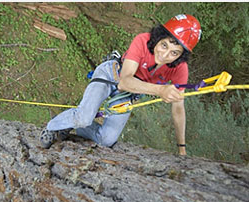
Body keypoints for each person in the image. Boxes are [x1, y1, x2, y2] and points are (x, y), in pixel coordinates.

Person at [39, 14, 202, 156]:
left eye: (174, 53)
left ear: (181, 56)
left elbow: (178, 108)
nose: (164, 55)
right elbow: (125, 81)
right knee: (84, 116)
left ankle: (73, 123)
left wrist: (181, 148)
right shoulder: (143, 40)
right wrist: (160, 89)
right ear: (159, 37)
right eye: (164, 45)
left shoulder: (179, 69)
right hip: (111, 74)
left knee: (106, 139)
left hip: (129, 94)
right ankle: (54, 126)